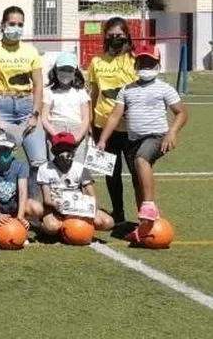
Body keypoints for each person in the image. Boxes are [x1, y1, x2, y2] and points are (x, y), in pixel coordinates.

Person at [98, 45, 188, 240]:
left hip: (157, 137)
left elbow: (181, 112)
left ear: (158, 65)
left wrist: (172, 133)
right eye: (142, 62)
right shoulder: (127, 90)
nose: (145, 66)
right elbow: (115, 116)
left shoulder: (164, 88)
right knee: (138, 181)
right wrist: (103, 140)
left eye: (150, 63)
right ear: (135, 65)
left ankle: (148, 206)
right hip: (133, 140)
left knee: (141, 160)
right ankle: (145, 227)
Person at [0, 5, 46, 198]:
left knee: (38, 161)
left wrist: (35, 115)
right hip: (1, 107)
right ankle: (6, 205)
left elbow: (39, 85)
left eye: (20, 24)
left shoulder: (30, 51)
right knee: (4, 161)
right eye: (11, 24)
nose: (15, 28)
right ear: (2, 25)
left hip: (27, 108)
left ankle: (34, 207)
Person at [86, 17, 137, 225]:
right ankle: (118, 214)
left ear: (127, 35)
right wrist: (90, 125)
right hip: (103, 126)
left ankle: (144, 212)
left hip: (131, 128)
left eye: (120, 35)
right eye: (111, 35)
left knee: (137, 172)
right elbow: (93, 94)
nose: (116, 39)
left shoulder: (135, 60)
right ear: (105, 36)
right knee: (112, 174)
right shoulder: (96, 62)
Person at [38, 132, 114, 236]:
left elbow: (92, 196)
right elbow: (46, 200)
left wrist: (89, 208)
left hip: (78, 206)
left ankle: (75, 227)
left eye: (68, 148)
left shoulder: (81, 168)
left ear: (73, 150)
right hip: (56, 207)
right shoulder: (44, 168)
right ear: (54, 151)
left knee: (107, 222)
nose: (65, 152)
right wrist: (56, 204)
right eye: (61, 148)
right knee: (52, 227)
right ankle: (58, 226)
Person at [40, 53, 90, 162]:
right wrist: (55, 135)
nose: (66, 73)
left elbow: (86, 118)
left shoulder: (81, 92)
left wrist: (78, 137)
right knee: (56, 164)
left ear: (75, 72)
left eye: (69, 70)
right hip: (56, 128)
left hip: (76, 129)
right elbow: (44, 118)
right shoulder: (49, 92)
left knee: (77, 165)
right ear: (56, 70)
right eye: (62, 69)